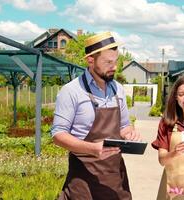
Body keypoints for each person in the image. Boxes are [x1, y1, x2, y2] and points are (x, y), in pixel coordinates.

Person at [52, 31, 140, 200]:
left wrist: (130, 132)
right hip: (83, 181)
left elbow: (124, 126)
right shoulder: (71, 91)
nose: (114, 67)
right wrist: (92, 149)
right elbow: (58, 135)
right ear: (90, 60)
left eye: (115, 61)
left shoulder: (118, 89)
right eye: (108, 62)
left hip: (115, 179)